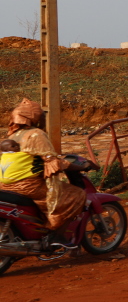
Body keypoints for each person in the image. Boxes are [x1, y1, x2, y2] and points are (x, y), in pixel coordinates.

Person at [3, 98, 97, 235]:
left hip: (5, 185)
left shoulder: (13, 135)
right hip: (28, 186)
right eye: (40, 115)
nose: (42, 118)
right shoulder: (36, 134)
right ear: (33, 117)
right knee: (76, 194)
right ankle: (57, 236)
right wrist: (81, 167)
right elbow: (52, 162)